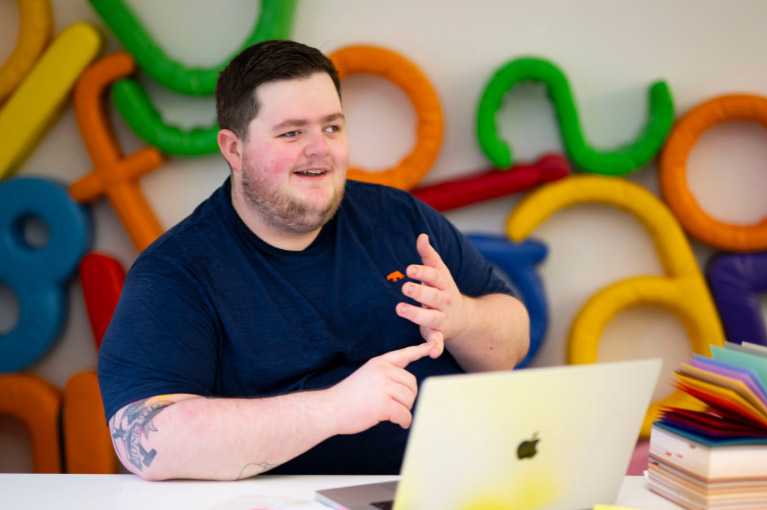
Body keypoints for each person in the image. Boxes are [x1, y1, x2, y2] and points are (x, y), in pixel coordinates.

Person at [98, 40, 530, 481]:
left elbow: (511, 343)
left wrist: (463, 318)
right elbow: (147, 442)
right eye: (291, 132)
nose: (319, 150)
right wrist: (335, 408)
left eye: (331, 128)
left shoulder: (400, 219)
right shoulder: (179, 270)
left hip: (450, 486)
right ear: (233, 148)